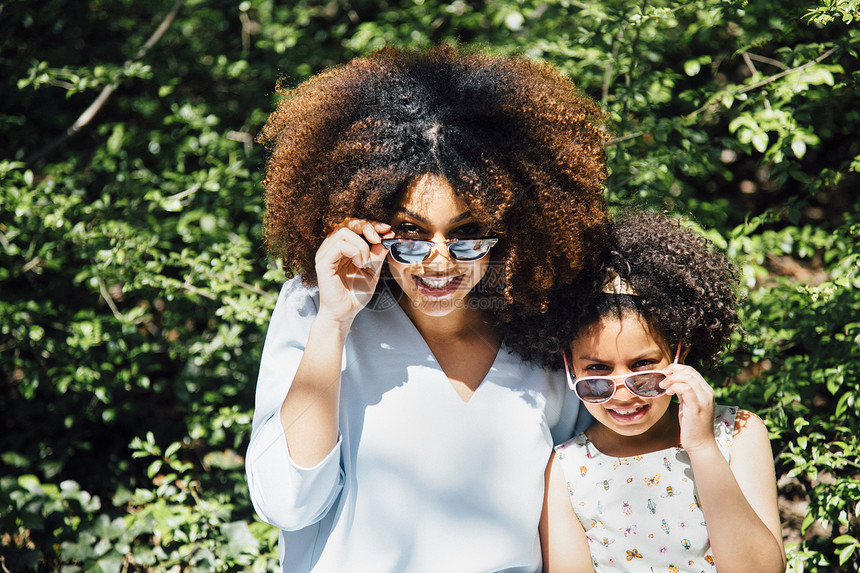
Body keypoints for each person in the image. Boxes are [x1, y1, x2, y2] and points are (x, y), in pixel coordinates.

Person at [245, 45, 610, 572]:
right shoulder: (318, 309)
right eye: (411, 234)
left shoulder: (546, 332)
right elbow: (285, 502)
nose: (438, 263)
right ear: (368, 221)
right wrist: (333, 321)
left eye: (467, 235)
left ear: (511, 230)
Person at [535, 211, 786, 573]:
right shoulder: (565, 471)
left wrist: (701, 447)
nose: (623, 395)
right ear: (569, 367)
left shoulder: (739, 435)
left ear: (679, 352)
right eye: (598, 373)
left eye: (642, 367)